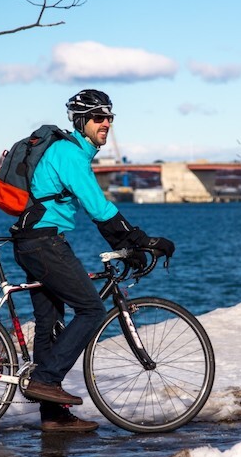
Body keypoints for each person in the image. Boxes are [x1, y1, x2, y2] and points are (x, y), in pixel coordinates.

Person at [11, 89, 175, 432]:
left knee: (50, 326)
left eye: (110, 117)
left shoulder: (70, 152)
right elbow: (98, 209)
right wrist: (140, 240)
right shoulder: (70, 154)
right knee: (92, 310)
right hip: (44, 244)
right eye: (99, 118)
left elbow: (95, 213)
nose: (106, 124)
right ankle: (45, 379)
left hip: (34, 241)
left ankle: (53, 416)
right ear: (82, 121)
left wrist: (127, 245)